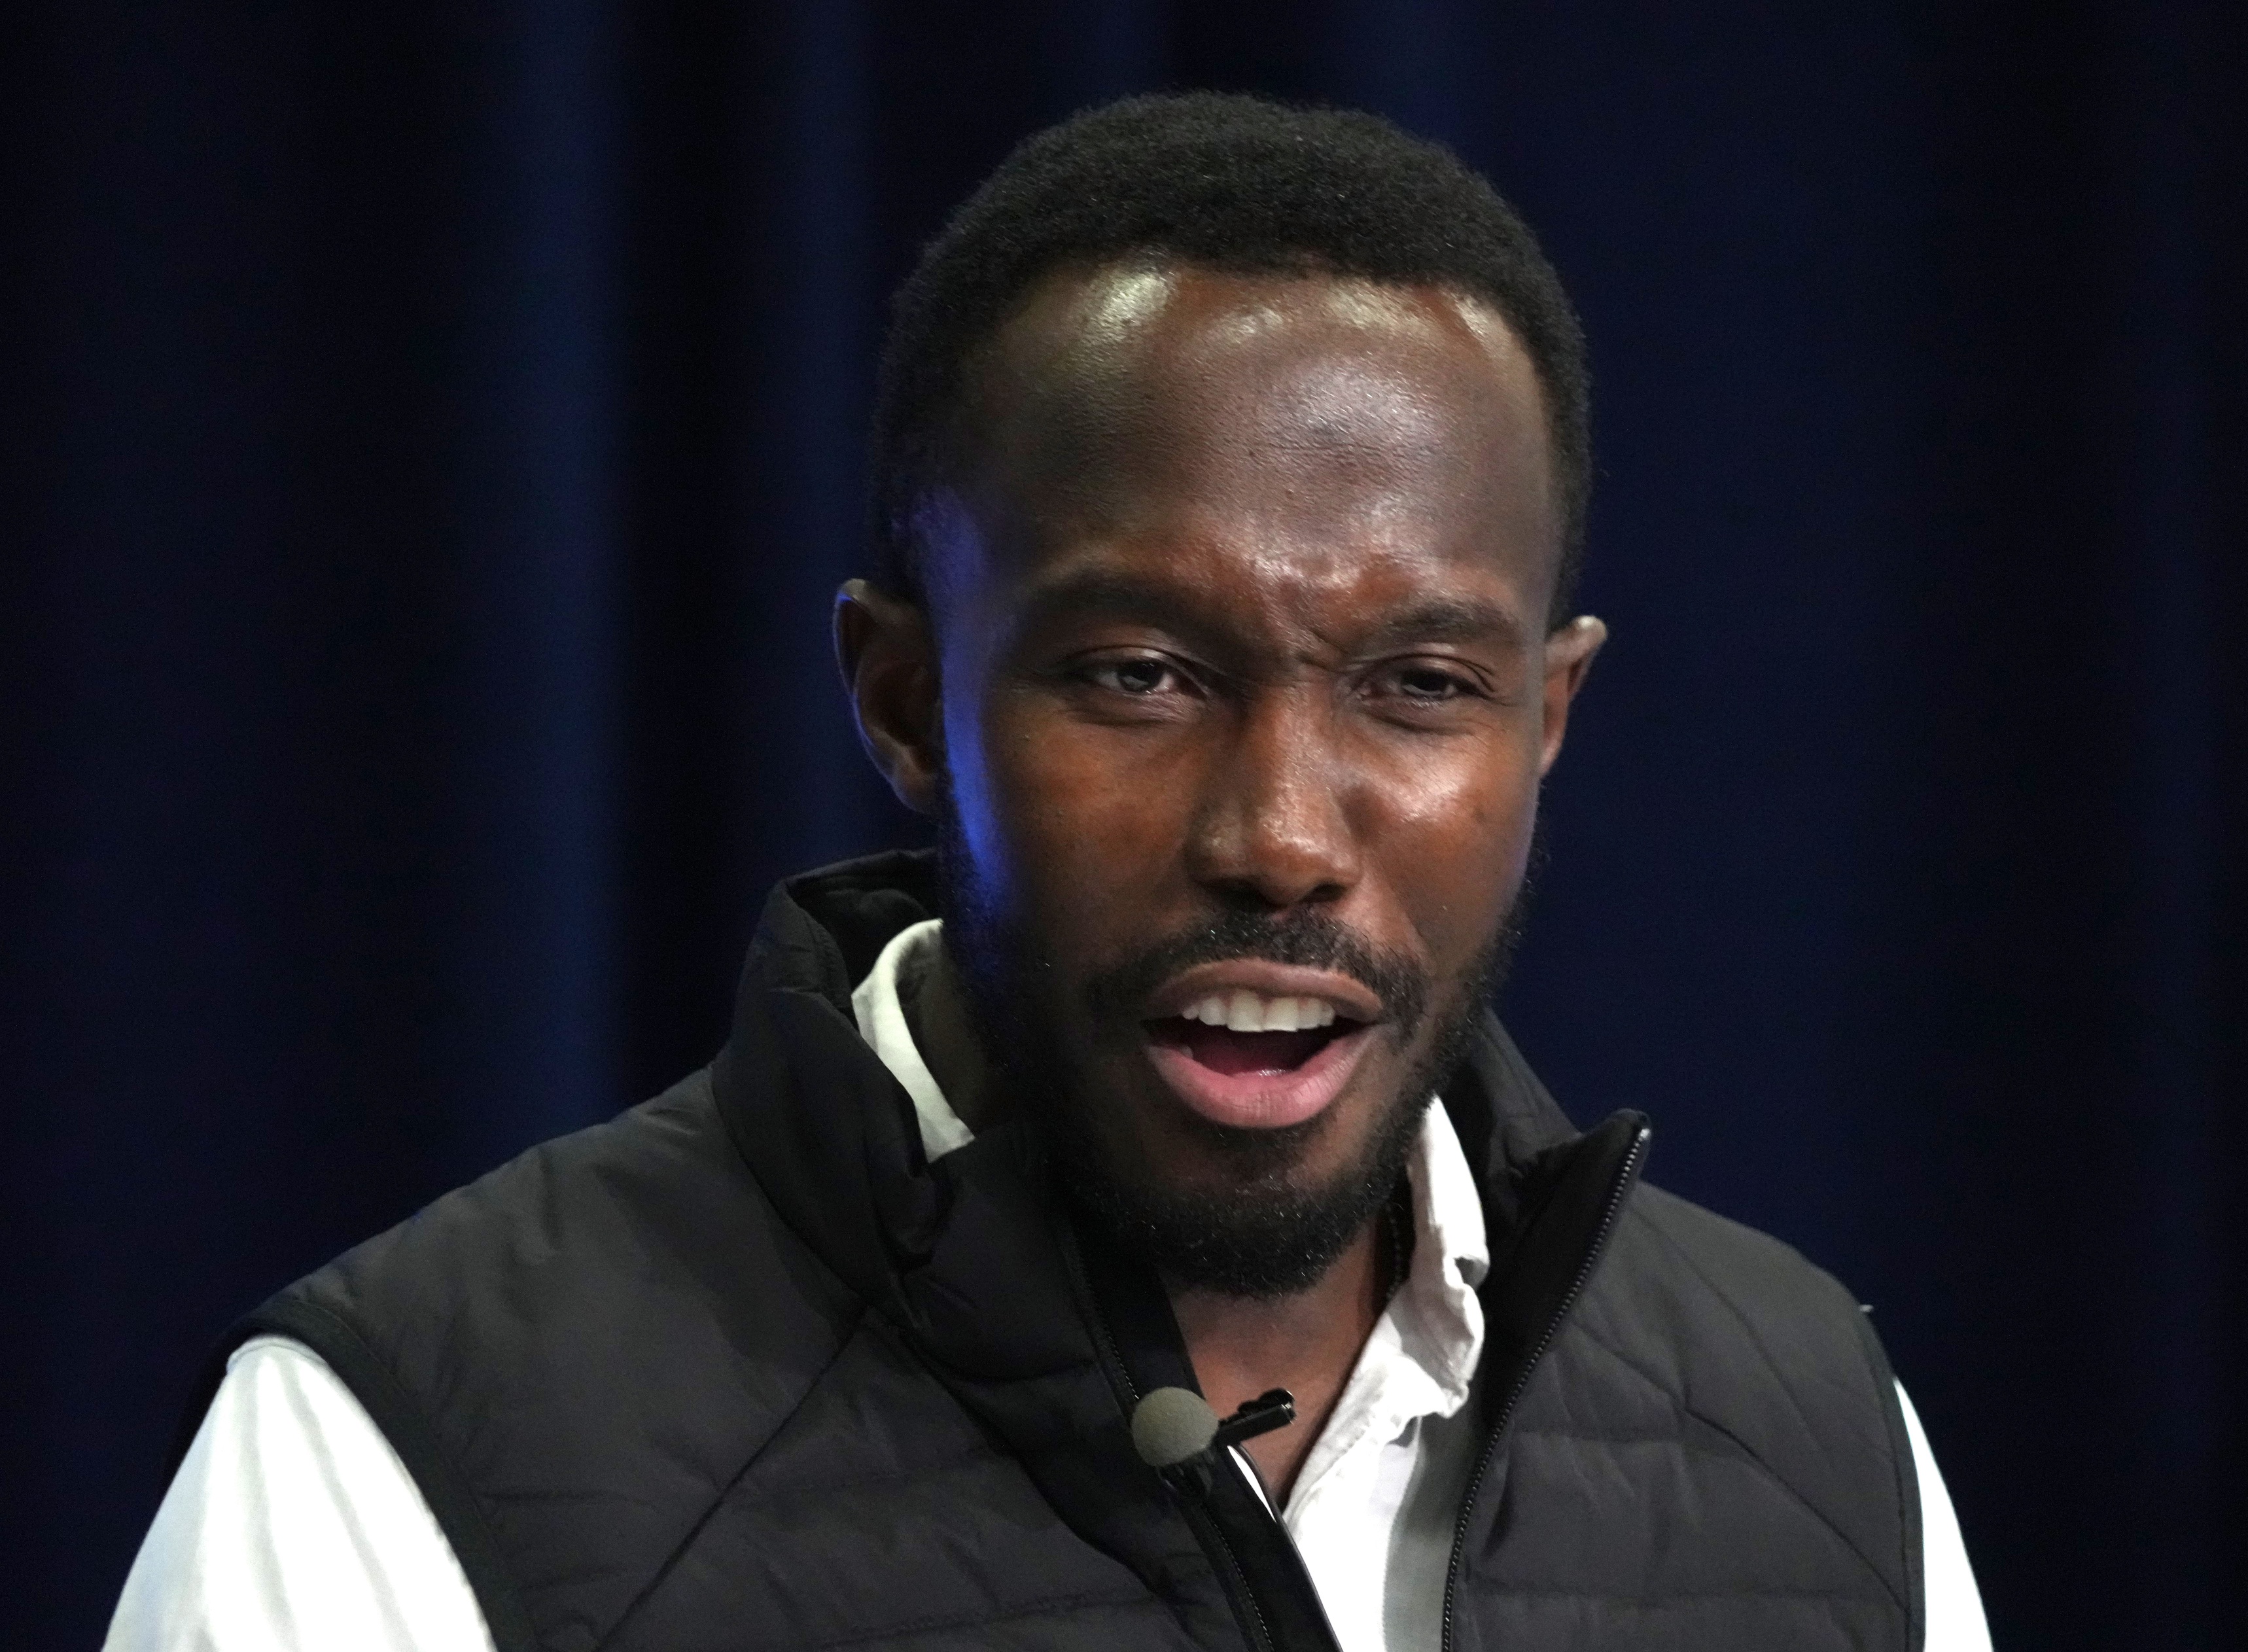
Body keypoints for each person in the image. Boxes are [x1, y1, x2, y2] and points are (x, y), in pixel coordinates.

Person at [107, 92, 1989, 1652]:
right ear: (906, 699)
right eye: (1141, 676)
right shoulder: (401, 1457)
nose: (1280, 835)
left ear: (1545, 723)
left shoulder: (1817, 1440)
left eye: (1419, 688)